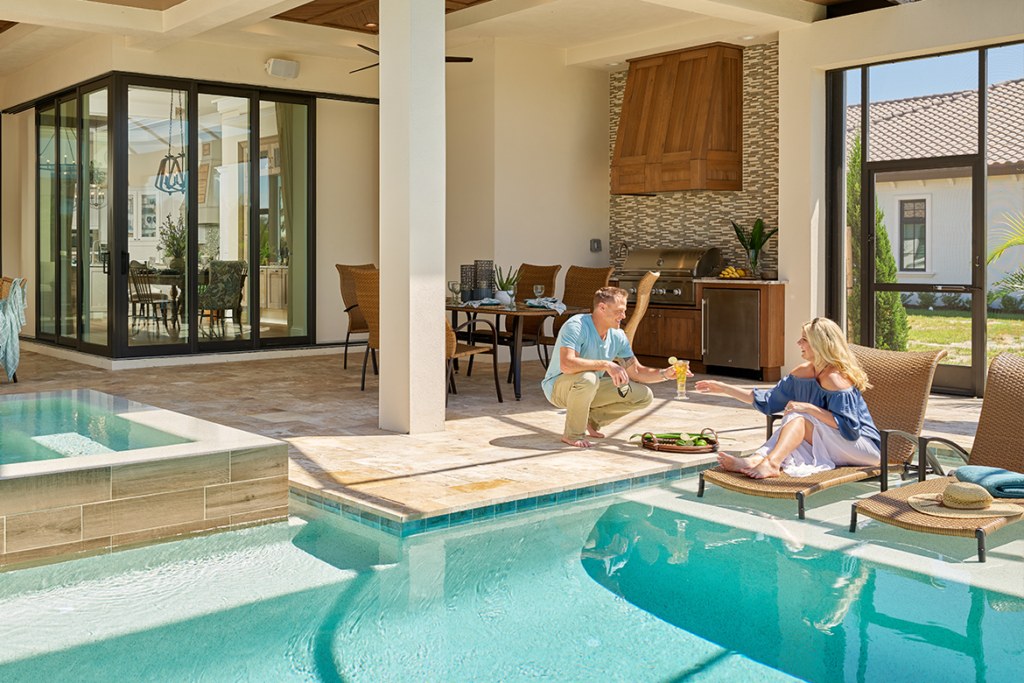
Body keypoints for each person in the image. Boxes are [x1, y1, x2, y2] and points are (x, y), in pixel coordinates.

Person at [694, 317, 880, 479]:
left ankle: (771, 463)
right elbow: (767, 401)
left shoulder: (835, 378)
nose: (799, 343)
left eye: (804, 340)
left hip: (862, 449)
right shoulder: (802, 373)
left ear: (820, 345)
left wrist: (808, 408)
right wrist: (724, 388)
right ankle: (754, 460)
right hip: (831, 442)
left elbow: (849, 429)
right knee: (794, 416)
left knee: (797, 415)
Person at [542, 286, 690, 448]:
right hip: (558, 388)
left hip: (589, 387)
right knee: (589, 378)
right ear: (602, 307)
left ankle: (590, 421)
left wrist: (665, 374)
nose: (623, 316)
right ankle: (573, 434)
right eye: (619, 310)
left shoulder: (618, 336)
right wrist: (606, 365)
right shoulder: (577, 326)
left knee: (643, 395)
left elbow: (637, 371)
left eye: (624, 311)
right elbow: (567, 364)